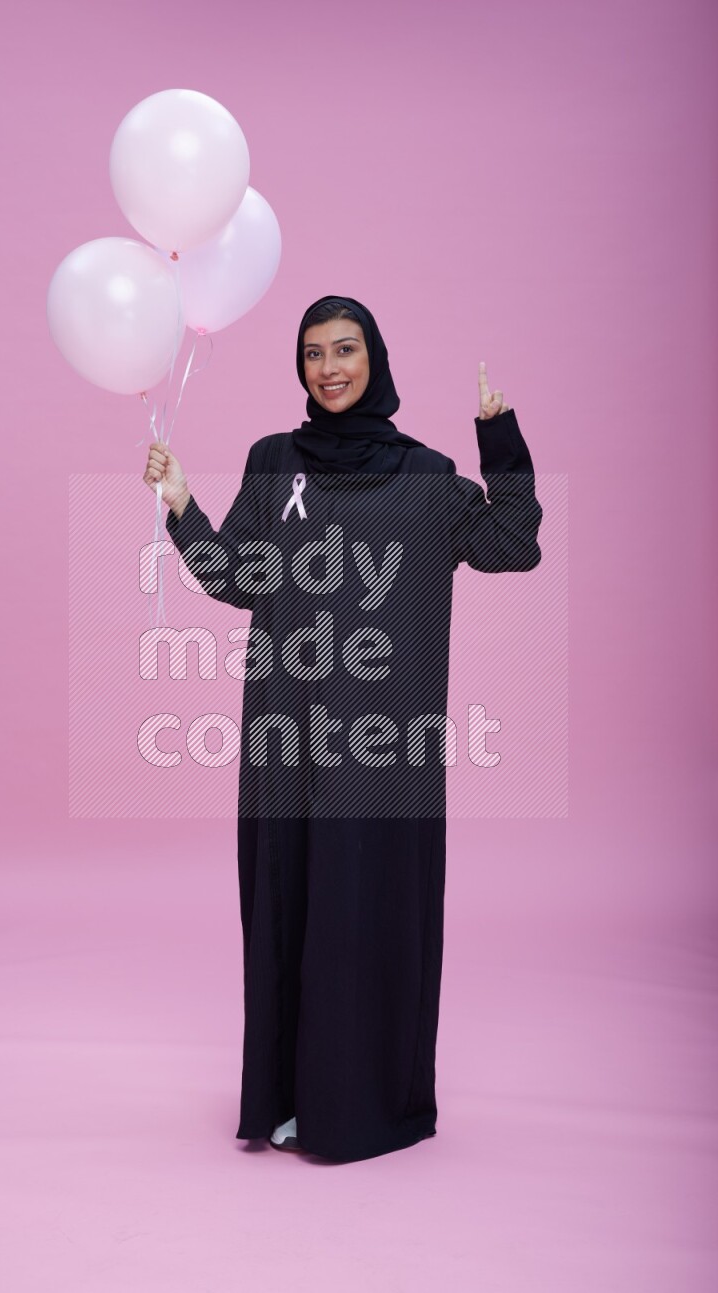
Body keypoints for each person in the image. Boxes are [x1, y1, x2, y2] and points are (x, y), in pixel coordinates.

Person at [143, 295, 543, 1163]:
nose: (329, 368)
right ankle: (287, 1100)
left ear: (375, 357)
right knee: (288, 915)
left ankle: (359, 1110)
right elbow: (238, 577)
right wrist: (182, 507)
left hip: (382, 758)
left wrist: (499, 438)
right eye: (314, 353)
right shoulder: (273, 461)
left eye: (345, 349)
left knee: (363, 923)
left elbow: (514, 541)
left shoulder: (427, 477)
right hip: (284, 744)